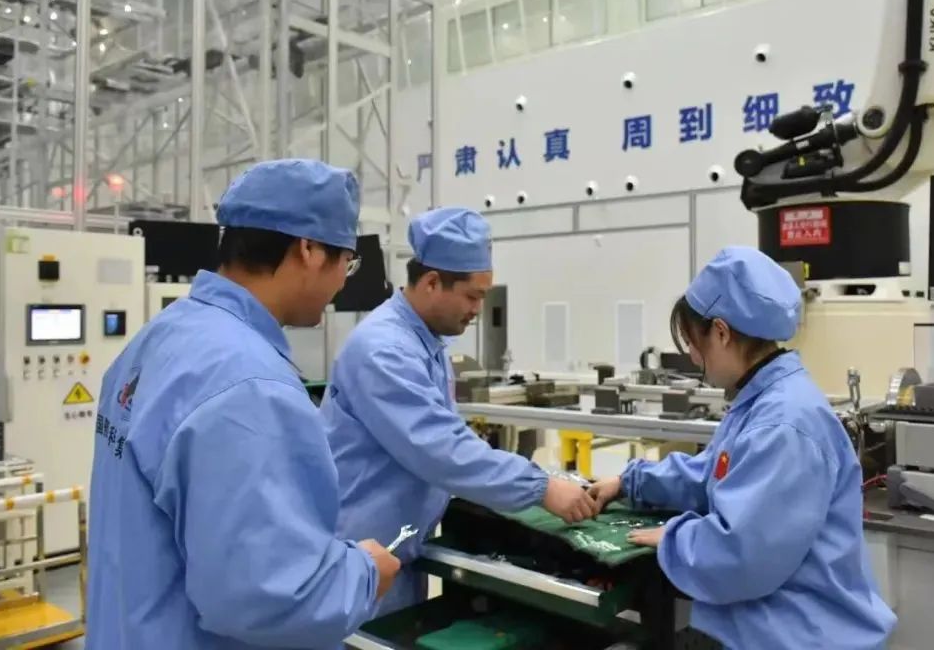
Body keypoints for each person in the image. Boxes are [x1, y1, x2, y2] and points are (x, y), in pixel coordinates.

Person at [86, 159, 401, 650]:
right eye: (347, 261)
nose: (344, 280)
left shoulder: (155, 340)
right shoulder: (251, 386)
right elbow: (266, 596)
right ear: (309, 249)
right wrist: (364, 574)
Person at [587, 247, 896, 650]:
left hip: (800, 636)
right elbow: (712, 474)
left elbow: (742, 555)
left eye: (693, 343)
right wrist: (630, 482)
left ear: (720, 332)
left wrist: (676, 537)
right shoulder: (761, 399)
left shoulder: (783, 423)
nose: (692, 357)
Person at [322, 206, 598, 616]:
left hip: (397, 547)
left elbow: (447, 436)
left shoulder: (426, 344)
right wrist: (541, 487)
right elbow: (441, 448)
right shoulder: (384, 350)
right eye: (473, 296)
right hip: (359, 553)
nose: (478, 310)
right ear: (432, 282)